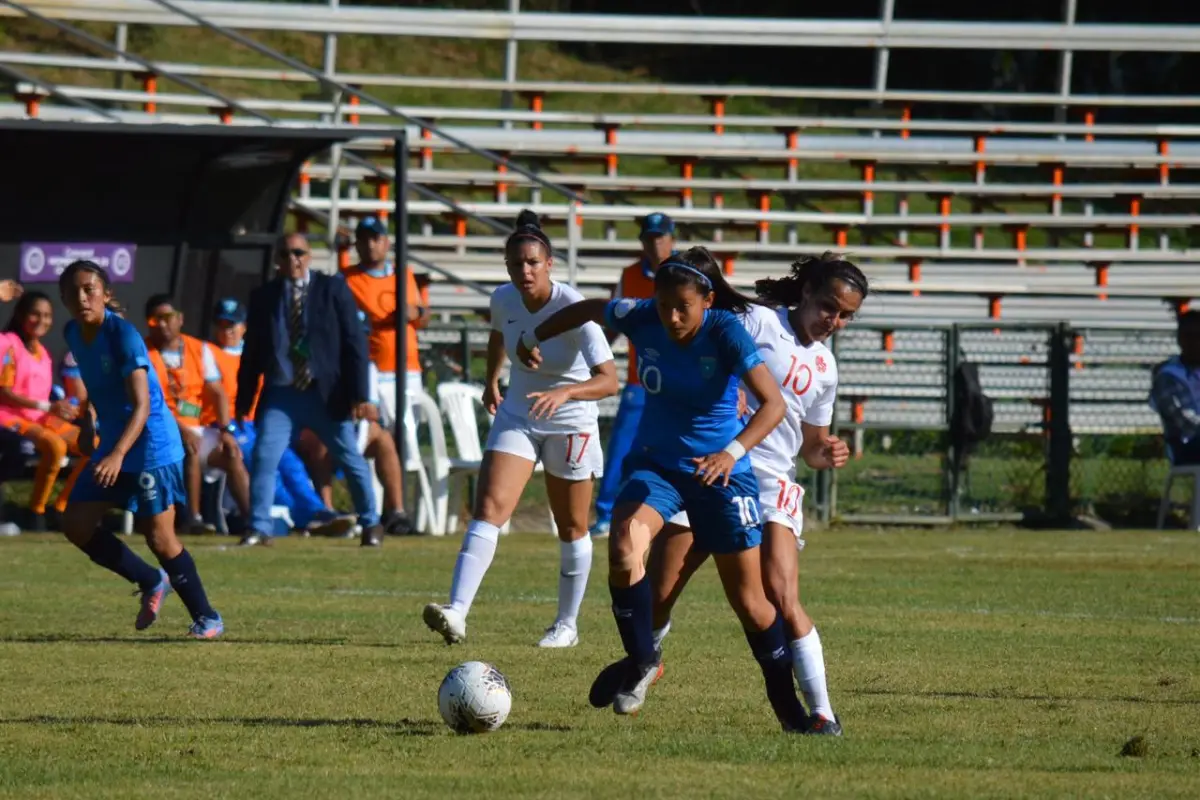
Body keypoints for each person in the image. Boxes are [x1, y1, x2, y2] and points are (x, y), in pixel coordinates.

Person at [516, 248, 813, 732]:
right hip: (657, 465)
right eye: (663, 305)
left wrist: (731, 453)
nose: (671, 317)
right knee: (625, 542)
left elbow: (774, 404)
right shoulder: (642, 317)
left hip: (719, 473)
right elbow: (592, 307)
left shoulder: (725, 332)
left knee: (751, 603)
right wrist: (533, 334)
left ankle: (791, 713)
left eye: (683, 307)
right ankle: (641, 660)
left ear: (707, 301)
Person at [636, 253, 868, 736]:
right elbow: (701, 324)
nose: (835, 321)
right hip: (707, 468)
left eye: (846, 315)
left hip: (770, 481)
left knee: (781, 595)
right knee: (659, 594)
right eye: (829, 307)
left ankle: (822, 713)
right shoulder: (757, 320)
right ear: (805, 293)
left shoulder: (825, 366)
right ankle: (644, 662)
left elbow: (809, 446)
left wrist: (827, 451)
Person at [423, 210, 619, 648]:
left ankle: (566, 625)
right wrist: (492, 379)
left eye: (533, 262)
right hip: (519, 414)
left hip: (571, 420)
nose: (524, 271)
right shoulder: (504, 298)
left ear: (549, 263)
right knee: (489, 508)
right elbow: (499, 334)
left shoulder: (574, 308)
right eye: (516, 264)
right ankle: (457, 612)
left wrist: (566, 394)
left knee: (570, 525)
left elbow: (610, 379)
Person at [57, 260, 223, 639]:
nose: (83, 297)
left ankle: (207, 616)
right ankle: (150, 580)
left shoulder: (124, 336)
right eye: (74, 292)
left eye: (90, 289)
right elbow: (97, 385)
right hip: (115, 440)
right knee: (76, 524)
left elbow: (143, 404)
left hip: (150, 445)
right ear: (64, 299)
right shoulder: (72, 331)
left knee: (160, 538)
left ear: (106, 294)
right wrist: (88, 421)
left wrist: (116, 455)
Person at [237, 234, 383, 547]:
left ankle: (371, 523)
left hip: (324, 393)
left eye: (299, 253)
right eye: (286, 253)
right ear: (277, 258)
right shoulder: (265, 296)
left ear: (309, 256)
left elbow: (354, 343)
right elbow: (251, 353)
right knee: (264, 454)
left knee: (349, 457)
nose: (293, 259)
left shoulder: (332, 289)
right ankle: (258, 527)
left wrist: (360, 395)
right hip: (282, 392)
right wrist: (244, 401)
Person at [205, 297, 354, 538]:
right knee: (268, 466)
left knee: (290, 463)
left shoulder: (253, 354)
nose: (227, 331)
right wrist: (226, 428)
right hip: (229, 424)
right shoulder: (208, 352)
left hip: (257, 422)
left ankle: (318, 511)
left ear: (244, 327)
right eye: (222, 325)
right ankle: (304, 517)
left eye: (232, 325)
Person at [591, 212, 677, 538]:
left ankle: (683, 512)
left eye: (660, 237)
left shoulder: (686, 272)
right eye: (649, 238)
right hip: (642, 380)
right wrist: (597, 354)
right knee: (622, 448)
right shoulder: (629, 275)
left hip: (683, 381)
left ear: (671, 240)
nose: (654, 244)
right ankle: (606, 514)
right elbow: (614, 322)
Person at [143, 294, 252, 534]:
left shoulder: (198, 349)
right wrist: (182, 431)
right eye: (154, 319)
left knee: (232, 453)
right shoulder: (143, 353)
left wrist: (225, 431)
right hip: (159, 429)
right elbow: (150, 405)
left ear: (180, 319)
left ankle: (253, 522)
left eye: (167, 317)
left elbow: (218, 393)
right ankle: (193, 518)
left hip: (197, 427)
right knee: (189, 447)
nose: (161, 324)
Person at [342, 215, 420, 535]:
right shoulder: (348, 278)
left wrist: (409, 313)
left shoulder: (403, 276)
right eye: (364, 238)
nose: (371, 244)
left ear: (386, 242)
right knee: (372, 437)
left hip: (406, 370)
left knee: (406, 443)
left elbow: (417, 312)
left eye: (376, 238)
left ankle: (397, 511)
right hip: (372, 372)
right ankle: (381, 510)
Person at [0, 291, 89, 530]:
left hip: (41, 417)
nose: (42, 320)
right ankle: (35, 512)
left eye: (47, 316)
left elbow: (44, 398)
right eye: (35, 314)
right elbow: (4, 392)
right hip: (9, 417)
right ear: (21, 315)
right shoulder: (8, 343)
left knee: (94, 446)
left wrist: (64, 410)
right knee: (55, 446)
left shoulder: (43, 353)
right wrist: (48, 407)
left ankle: (60, 509)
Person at [1151, 310, 1200, 466]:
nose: (1195, 342)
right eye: (1189, 336)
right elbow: (1184, 421)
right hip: (1187, 446)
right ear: (1180, 340)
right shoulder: (1168, 375)